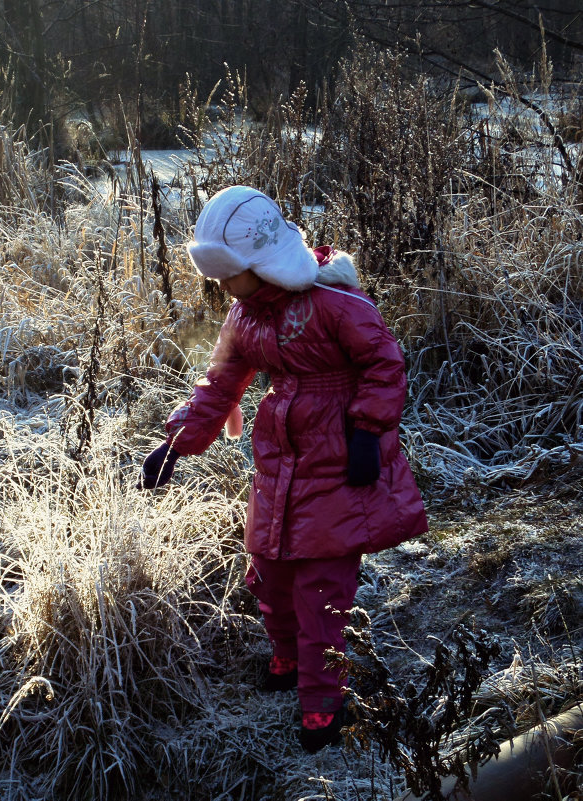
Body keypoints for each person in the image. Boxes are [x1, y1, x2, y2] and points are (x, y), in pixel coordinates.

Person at [139, 186, 428, 753]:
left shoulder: (335, 306)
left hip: (339, 458)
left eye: (230, 273)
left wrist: (368, 430)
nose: (221, 286)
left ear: (263, 263)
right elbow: (221, 381)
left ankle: (324, 701)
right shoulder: (246, 317)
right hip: (279, 460)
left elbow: (384, 364)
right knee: (269, 569)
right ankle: (288, 655)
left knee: (322, 587)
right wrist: (177, 443)